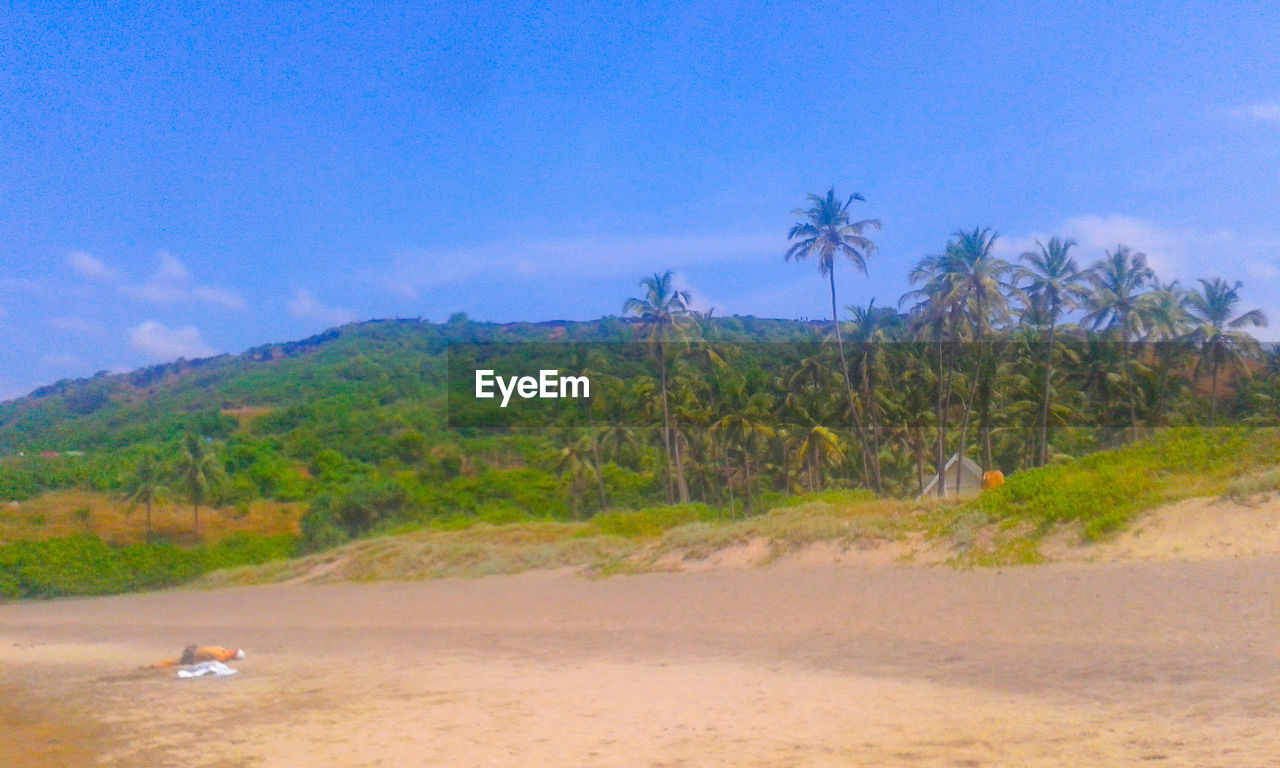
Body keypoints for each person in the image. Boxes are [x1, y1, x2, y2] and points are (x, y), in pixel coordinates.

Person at [148, 644, 245, 668]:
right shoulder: (225, 655)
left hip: (194, 652)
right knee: (173, 663)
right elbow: (215, 664)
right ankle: (154, 667)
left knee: (172, 662)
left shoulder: (222, 649)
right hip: (193, 657)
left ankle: (154, 666)